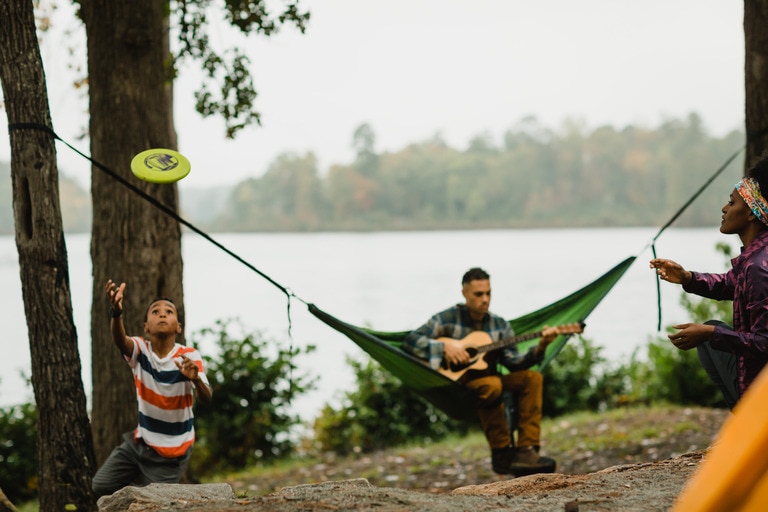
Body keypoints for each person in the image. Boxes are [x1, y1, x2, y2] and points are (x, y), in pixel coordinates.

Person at [403, 267, 558, 475]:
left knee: (532, 378)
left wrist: (541, 347)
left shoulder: (499, 324)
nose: (485, 299)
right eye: (478, 294)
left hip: (493, 378)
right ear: (465, 293)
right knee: (492, 385)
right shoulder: (446, 319)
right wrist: (444, 348)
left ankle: (526, 451)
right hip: (462, 384)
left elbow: (515, 362)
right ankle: (502, 453)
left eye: (488, 293)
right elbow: (411, 341)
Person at [649, 155, 768, 410]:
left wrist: (712, 334)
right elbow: (729, 284)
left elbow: (764, 342)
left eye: (731, 202)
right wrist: (687, 278)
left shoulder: (759, 266)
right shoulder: (757, 258)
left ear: (751, 213)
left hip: (761, 391)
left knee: (711, 330)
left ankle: (748, 422)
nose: (725, 209)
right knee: (711, 328)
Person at [92, 280, 213, 497]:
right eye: (155, 312)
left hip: (172, 452)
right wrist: (116, 312)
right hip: (140, 442)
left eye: (169, 312)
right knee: (100, 486)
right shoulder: (141, 350)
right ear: (146, 327)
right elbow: (121, 341)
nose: (162, 314)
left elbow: (206, 397)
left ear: (178, 326)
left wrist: (195, 380)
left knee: (154, 503)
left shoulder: (189, 356)